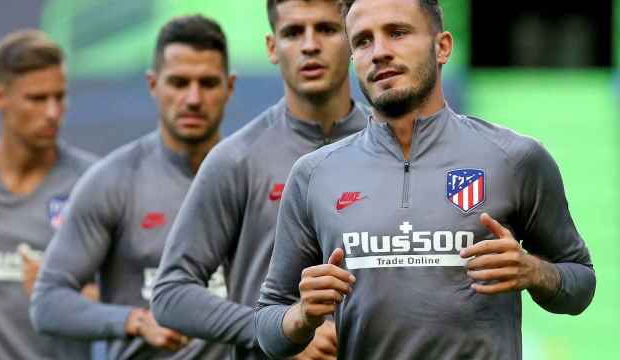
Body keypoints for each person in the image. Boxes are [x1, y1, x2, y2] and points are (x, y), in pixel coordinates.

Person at [254, 0, 596, 359]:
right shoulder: (314, 175)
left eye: (397, 33)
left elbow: (581, 283)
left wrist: (533, 272)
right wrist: (302, 316)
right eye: (363, 41)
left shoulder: (516, 158)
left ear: (442, 46)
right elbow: (268, 322)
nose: (380, 52)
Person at [150, 1, 368, 359]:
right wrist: (285, 328)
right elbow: (171, 294)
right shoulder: (236, 159)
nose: (310, 45)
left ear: (352, 40)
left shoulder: (393, 147)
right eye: (293, 32)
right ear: (272, 47)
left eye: (327, 30)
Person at [30, 15, 233, 359]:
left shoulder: (254, 176)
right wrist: (134, 321)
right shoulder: (113, 181)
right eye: (179, 83)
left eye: (208, 83)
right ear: (153, 84)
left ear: (229, 87)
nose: (194, 98)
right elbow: (48, 301)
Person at [0, 29, 98, 359]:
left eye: (59, 97)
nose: (52, 112)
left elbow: (131, 303)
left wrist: (64, 300)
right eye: (37, 99)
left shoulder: (93, 182)